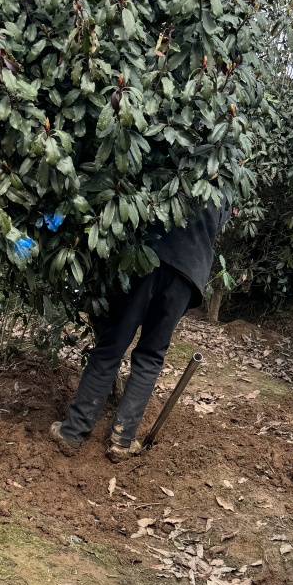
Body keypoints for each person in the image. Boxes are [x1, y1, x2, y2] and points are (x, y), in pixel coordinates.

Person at [49, 197, 231, 462]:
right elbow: (219, 220)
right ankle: (122, 441)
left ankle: (73, 431)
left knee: (112, 345)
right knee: (151, 355)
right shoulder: (224, 179)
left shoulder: (182, 157)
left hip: (149, 253)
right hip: (188, 272)